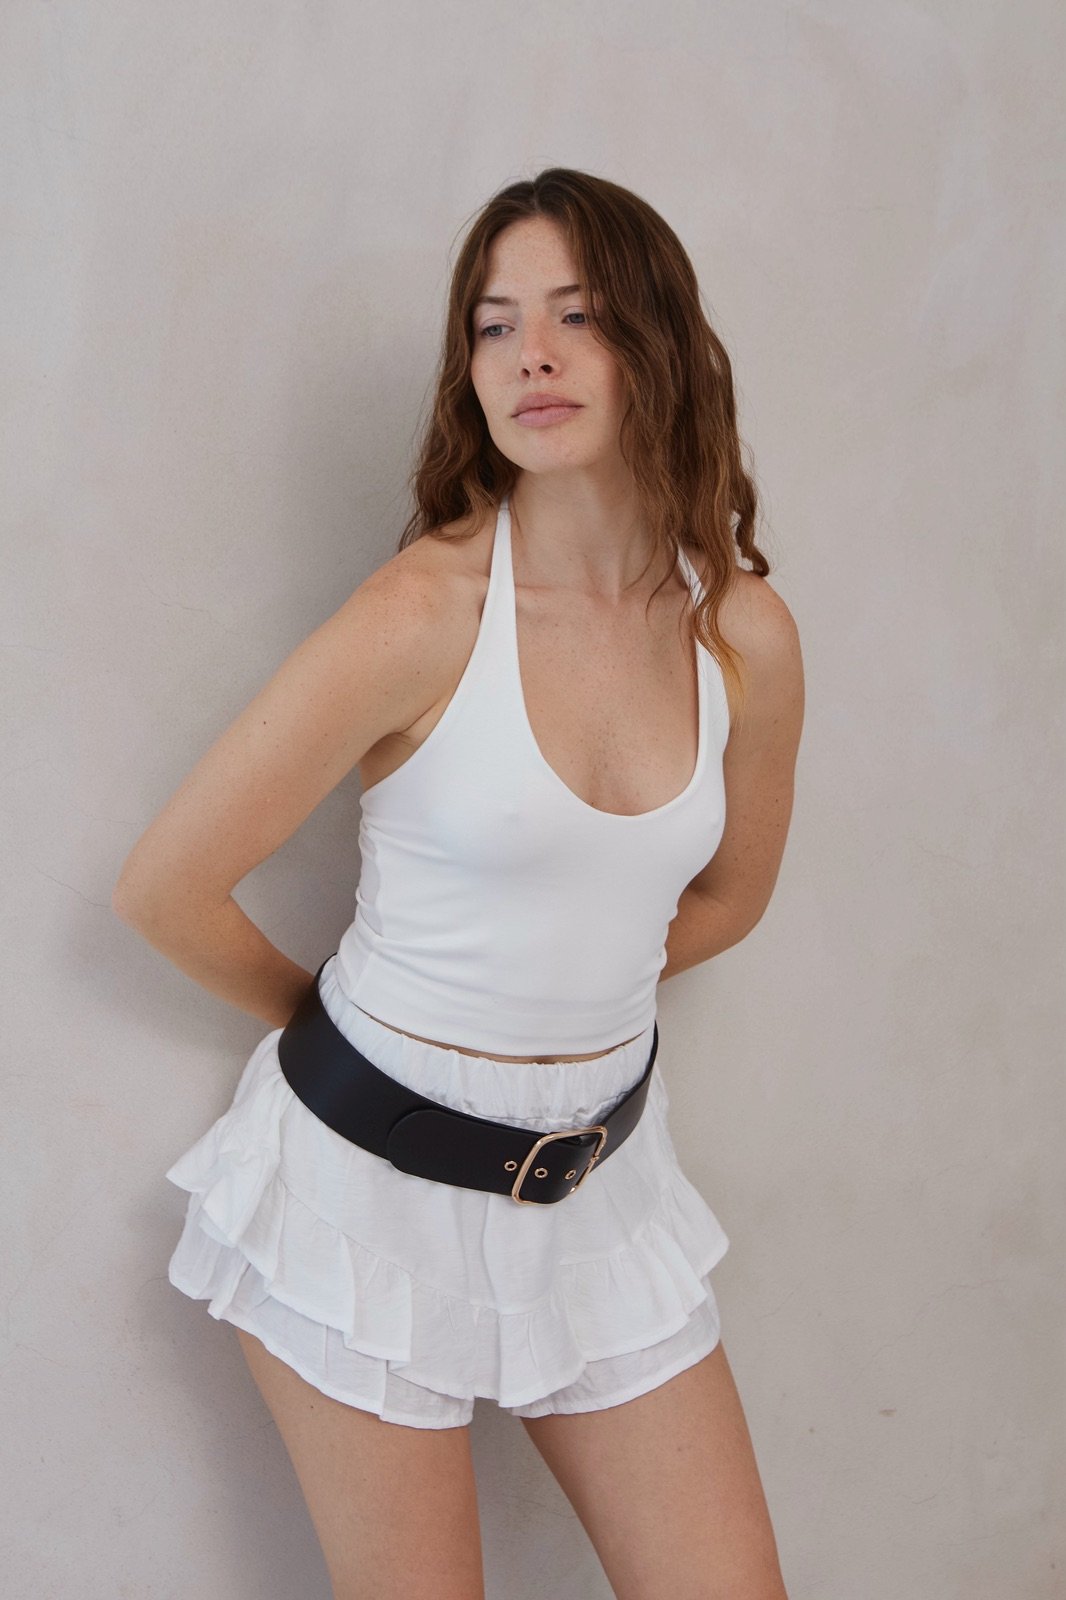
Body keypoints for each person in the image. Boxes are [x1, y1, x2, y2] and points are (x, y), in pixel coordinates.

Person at [113, 167, 804, 1600]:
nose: (530, 355)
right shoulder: (420, 615)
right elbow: (167, 888)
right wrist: (363, 1047)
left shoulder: (742, 632)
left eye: (577, 315)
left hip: (602, 1193)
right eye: (494, 326)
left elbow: (731, 897)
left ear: (660, 343)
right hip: (358, 1201)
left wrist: (566, 992)